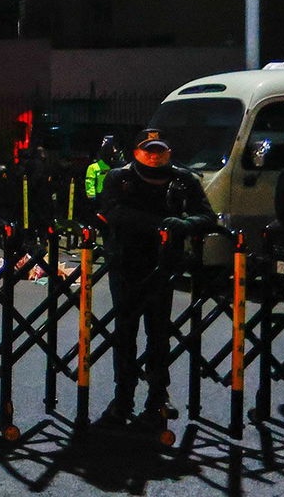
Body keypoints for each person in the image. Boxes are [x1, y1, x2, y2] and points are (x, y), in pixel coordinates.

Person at [97, 128, 215, 427]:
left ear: (169, 153)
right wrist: (160, 224)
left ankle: (158, 394)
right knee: (125, 333)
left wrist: (184, 225)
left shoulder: (183, 179)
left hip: (163, 265)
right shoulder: (119, 178)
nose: (154, 155)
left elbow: (206, 217)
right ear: (136, 151)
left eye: (159, 150)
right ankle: (123, 396)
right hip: (126, 265)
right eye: (148, 149)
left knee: (159, 333)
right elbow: (113, 213)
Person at [84, 135, 120, 211]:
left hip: (115, 196)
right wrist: (91, 195)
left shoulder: (118, 164)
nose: (115, 151)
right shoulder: (94, 167)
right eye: (113, 148)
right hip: (101, 196)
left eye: (115, 148)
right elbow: (89, 181)